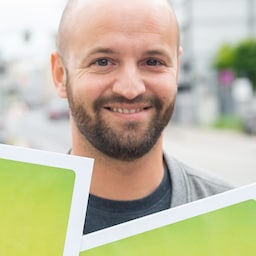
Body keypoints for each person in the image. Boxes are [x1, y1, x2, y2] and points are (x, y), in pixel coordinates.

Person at [51, 0, 232, 234]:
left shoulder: (235, 219)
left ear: (176, 69)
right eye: (103, 62)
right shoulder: (13, 218)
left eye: (153, 62)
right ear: (59, 75)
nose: (130, 89)